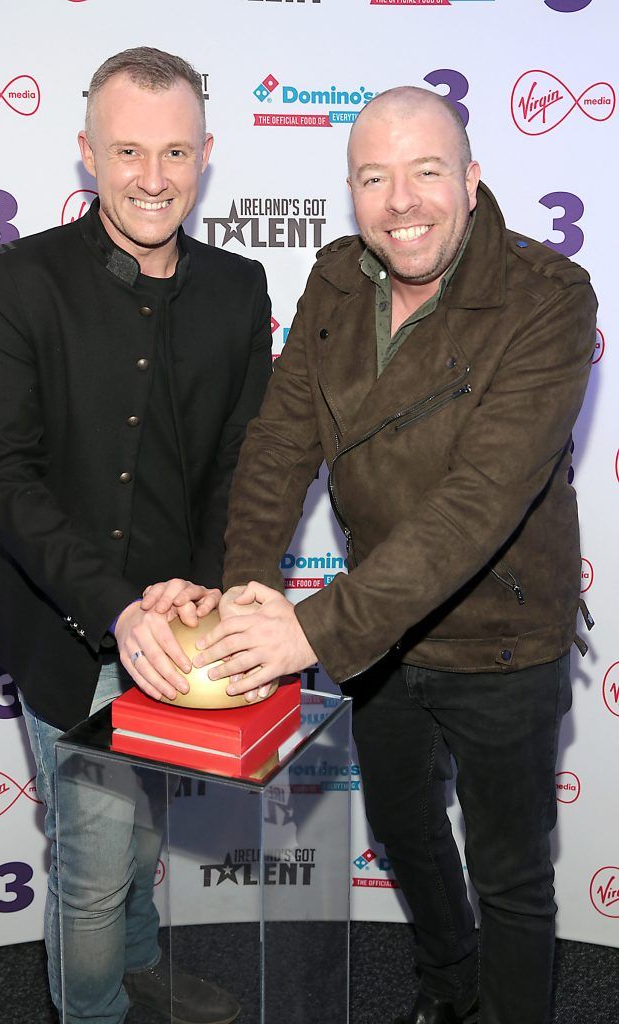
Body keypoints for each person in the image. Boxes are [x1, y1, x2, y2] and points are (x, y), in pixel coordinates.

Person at [190, 87, 597, 1024]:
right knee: (408, 835)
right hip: (381, 643)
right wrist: (249, 593)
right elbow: (282, 442)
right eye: (375, 178)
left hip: (500, 634)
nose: (402, 201)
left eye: (426, 172)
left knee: (511, 874)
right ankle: (446, 988)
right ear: (351, 191)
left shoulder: (549, 296)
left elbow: (477, 506)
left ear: (472, 177)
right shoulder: (337, 278)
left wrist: (311, 631)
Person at [0, 46, 272, 1024]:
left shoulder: (238, 286)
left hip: (183, 630)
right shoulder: (16, 279)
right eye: (128, 150)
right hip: (66, 627)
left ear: (206, 154)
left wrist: (214, 589)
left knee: (139, 837)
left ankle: (137, 971)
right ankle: (90, 1007)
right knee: (95, 863)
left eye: (175, 152)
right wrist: (117, 605)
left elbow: (241, 466)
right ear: (87, 154)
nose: (152, 177)